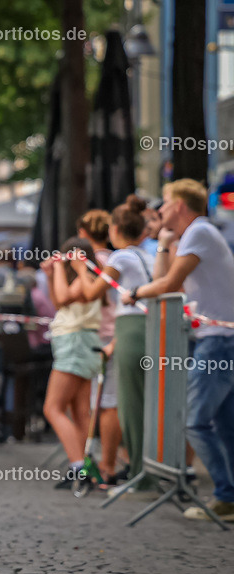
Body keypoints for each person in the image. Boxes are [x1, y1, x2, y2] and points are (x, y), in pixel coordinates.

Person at [124, 179, 234, 521]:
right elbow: (172, 281)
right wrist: (164, 244)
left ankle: (226, 496)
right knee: (224, 423)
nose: (159, 210)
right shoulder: (197, 234)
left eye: (166, 203)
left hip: (218, 341)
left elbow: (168, 285)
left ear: (181, 206)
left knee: (195, 422)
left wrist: (135, 293)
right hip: (219, 340)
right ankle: (228, 496)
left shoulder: (199, 232)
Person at [73, 200, 153, 487]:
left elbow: (93, 291)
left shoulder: (120, 258)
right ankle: (138, 468)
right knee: (137, 402)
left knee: (122, 403)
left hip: (130, 329)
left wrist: (81, 268)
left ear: (116, 229)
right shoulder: (147, 256)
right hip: (149, 329)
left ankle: (127, 470)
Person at [41, 237, 102, 484]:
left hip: (74, 343)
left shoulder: (83, 277)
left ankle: (79, 466)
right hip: (83, 343)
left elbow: (64, 297)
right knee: (79, 412)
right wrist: (49, 275)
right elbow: (58, 303)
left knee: (52, 408)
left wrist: (56, 268)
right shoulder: (87, 278)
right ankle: (85, 465)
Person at [75, 210, 124, 484]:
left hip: (102, 337)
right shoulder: (111, 259)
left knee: (102, 403)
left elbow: (86, 295)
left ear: (83, 232)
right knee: (103, 402)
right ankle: (102, 463)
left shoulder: (97, 262)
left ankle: (105, 465)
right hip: (106, 335)